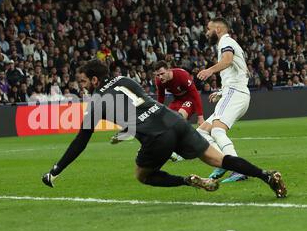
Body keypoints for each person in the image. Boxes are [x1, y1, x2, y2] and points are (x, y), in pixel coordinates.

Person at [41, 59, 286, 198]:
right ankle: (266, 175)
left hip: (156, 136)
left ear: (95, 80)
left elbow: (81, 140)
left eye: (83, 81)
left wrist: (56, 168)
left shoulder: (96, 100)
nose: (82, 86)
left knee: (142, 175)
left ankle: (187, 180)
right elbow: (134, 106)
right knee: (217, 159)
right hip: (174, 121)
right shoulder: (126, 79)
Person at [197, 17, 251, 183]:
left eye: (208, 28)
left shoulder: (225, 41)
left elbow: (227, 61)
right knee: (201, 132)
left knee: (217, 130)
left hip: (235, 93)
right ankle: (224, 162)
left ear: (218, 29)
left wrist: (209, 71)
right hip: (234, 92)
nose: (207, 32)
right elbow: (244, 71)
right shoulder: (232, 43)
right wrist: (222, 91)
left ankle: (237, 168)